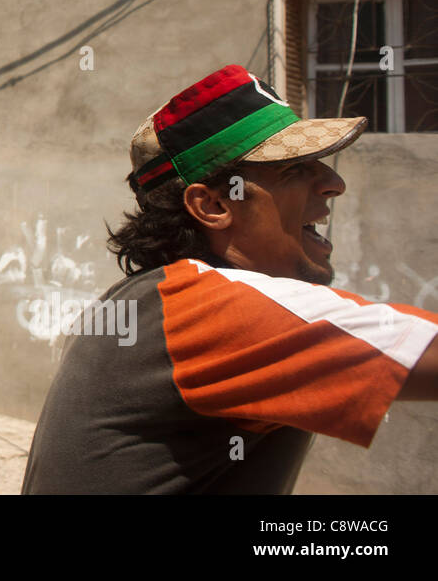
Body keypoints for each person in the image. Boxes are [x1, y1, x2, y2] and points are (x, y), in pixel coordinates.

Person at [22, 64, 438, 494]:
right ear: (214, 205)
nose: (334, 183)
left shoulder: (154, 299)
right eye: (296, 169)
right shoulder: (208, 311)